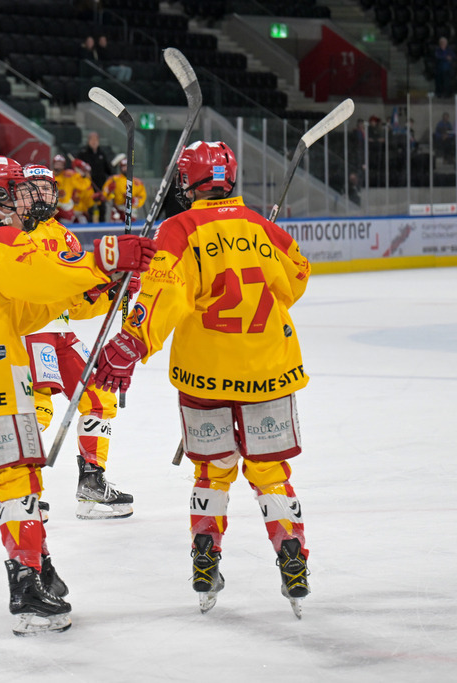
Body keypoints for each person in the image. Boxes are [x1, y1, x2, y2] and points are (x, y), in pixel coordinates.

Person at [0, 156, 156, 636]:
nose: (28, 199)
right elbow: (46, 279)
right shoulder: (0, 241)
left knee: (20, 481)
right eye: (18, 190)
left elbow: (28, 311)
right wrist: (103, 262)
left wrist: (103, 283)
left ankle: (39, 569)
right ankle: (27, 590)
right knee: (19, 486)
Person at [93, 141, 312, 616]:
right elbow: (296, 276)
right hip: (269, 372)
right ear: (230, 179)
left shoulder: (180, 228)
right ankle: (292, 557)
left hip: (205, 379)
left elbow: (162, 297)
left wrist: (132, 343)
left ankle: (204, 560)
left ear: (186, 183)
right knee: (270, 474)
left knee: (212, 472)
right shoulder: (264, 228)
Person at [20, 164, 144, 520]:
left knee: (99, 395)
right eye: (34, 187)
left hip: (59, 331)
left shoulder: (64, 235)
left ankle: (91, 483)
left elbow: (76, 303)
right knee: (35, 408)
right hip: (25, 331)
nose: (43, 193)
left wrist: (111, 289)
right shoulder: (12, 231)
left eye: (47, 187)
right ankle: (16, 493)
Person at [78, 132, 112, 222]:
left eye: (96, 140)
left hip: (101, 185)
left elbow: (108, 169)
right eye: (92, 139)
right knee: (90, 209)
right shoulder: (83, 154)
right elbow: (77, 169)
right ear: (88, 141)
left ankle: (102, 226)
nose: (94, 142)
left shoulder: (102, 154)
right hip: (88, 186)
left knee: (102, 208)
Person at [103, 153, 146, 223]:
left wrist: (134, 200)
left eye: (127, 166)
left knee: (131, 232)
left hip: (132, 211)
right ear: (120, 167)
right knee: (117, 232)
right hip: (117, 210)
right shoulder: (113, 179)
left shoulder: (138, 182)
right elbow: (105, 196)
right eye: (123, 167)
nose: (125, 169)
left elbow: (142, 197)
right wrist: (109, 191)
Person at [51, 155, 76, 223]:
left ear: (63, 166)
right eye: (57, 164)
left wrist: (78, 169)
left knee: (66, 226)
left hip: (66, 206)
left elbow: (82, 184)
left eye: (60, 164)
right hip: (53, 206)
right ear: (54, 164)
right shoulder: (49, 175)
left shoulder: (69, 174)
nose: (58, 166)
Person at [70, 158, 95, 223]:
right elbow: (79, 187)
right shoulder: (73, 177)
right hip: (70, 211)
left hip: (81, 212)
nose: (88, 174)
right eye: (85, 171)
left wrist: (95, 199)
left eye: (88, 172)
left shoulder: (87, 182)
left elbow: (89, 203)